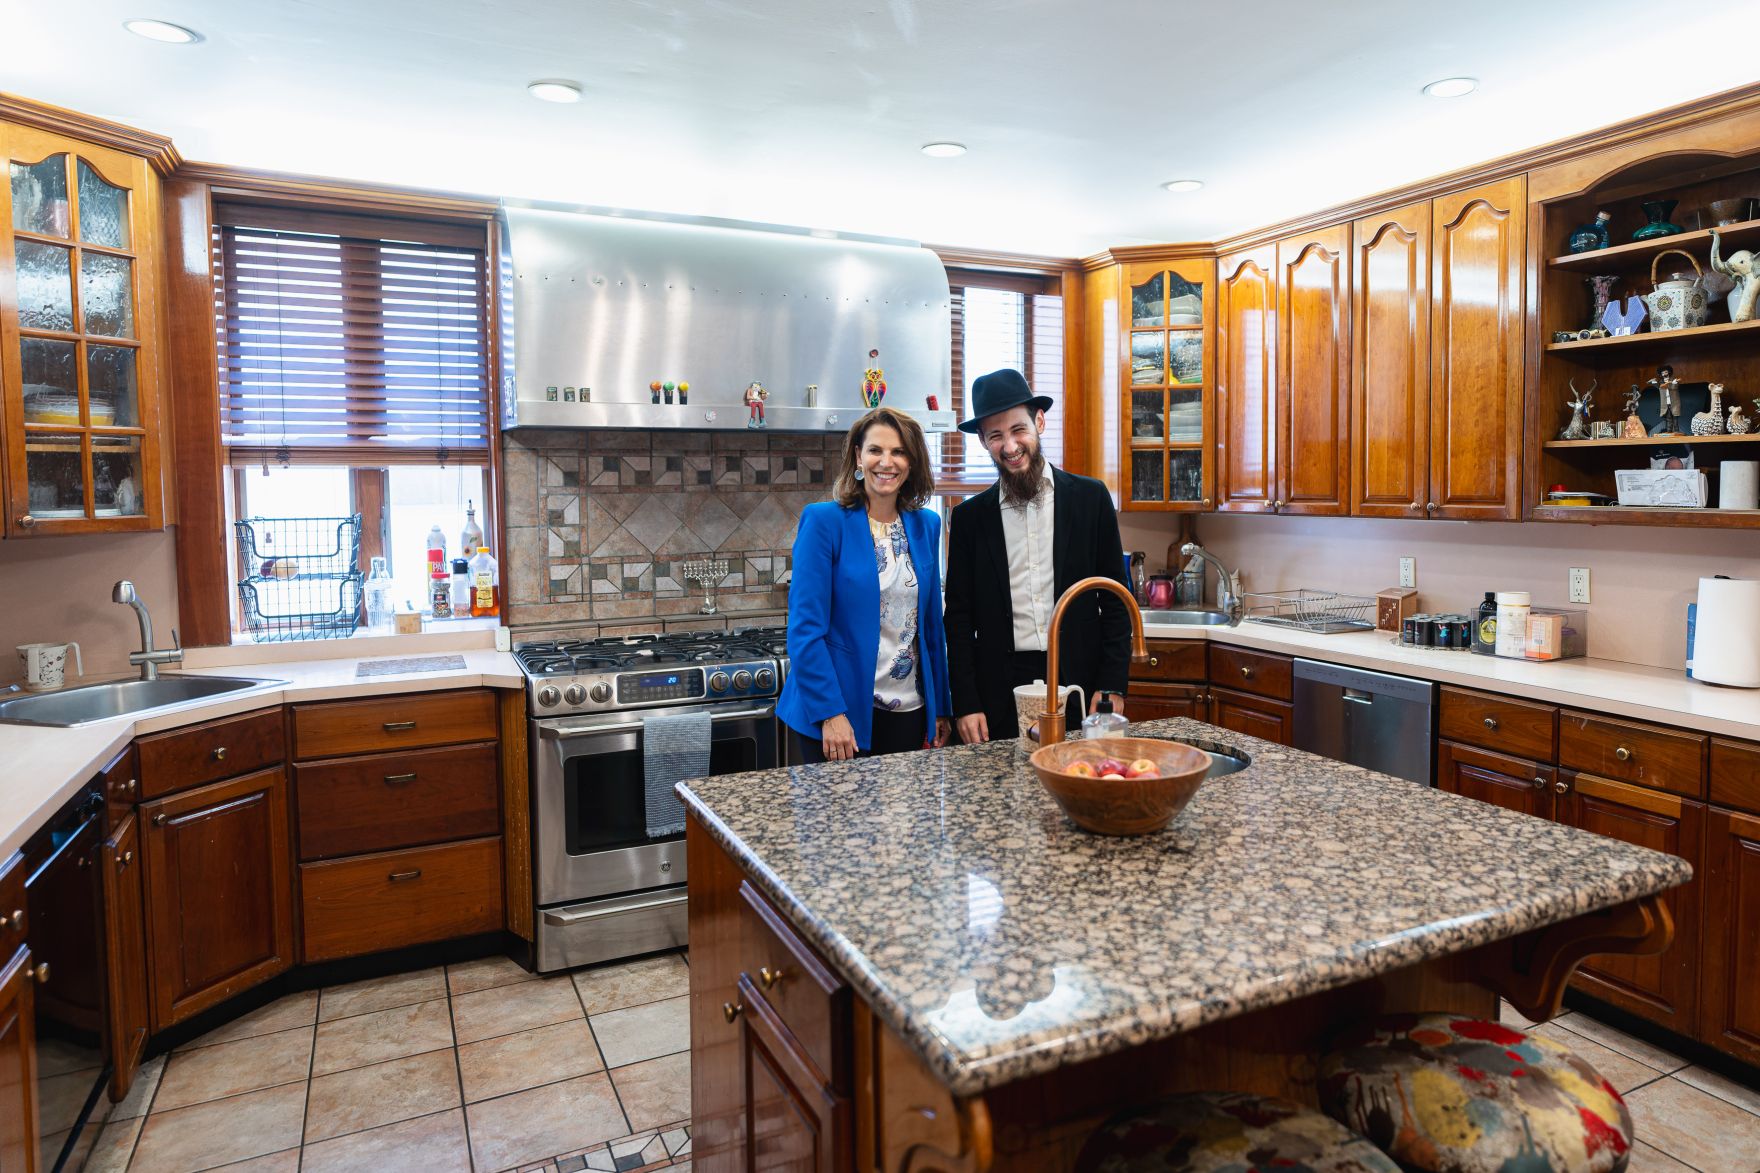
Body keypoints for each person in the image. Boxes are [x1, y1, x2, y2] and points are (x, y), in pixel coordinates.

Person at [944, 369, 1131, 744]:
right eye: (996, 435)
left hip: (1079, 682)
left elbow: (1115, 602)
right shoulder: (969, 518)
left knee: (1076, 789)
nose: (1010, 446)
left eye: (1018, 430)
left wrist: (1111, 686)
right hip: (997, 689)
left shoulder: (1090, 499)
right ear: (983, 441)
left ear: (1040, 422)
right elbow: (959, 620)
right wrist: (966, 702)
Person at [776, 407, 953, 762]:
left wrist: (941, 706)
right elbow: (805, 630)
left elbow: (931, 628)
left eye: (899, 452)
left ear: (912, 462)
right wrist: (831, 712)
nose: (886, 462)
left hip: (909, 712)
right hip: (837, 717)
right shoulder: (824, 522)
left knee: (901, 819)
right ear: (858, 455)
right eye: (876, 450)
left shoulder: (927, 525)